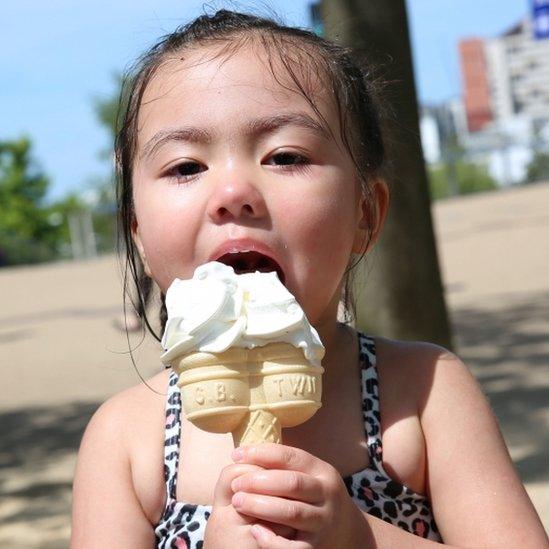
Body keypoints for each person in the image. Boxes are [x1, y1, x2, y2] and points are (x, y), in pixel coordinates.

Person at [71, 10, 548, 548]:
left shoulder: (423, 392)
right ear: (137, 230)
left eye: (285, 156)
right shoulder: (127, 440)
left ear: (364, 214)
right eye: (185, 167)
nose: (233, 192)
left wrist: (360, 537)